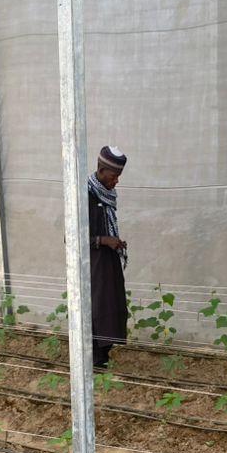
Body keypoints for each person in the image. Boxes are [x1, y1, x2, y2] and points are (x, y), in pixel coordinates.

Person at [88, 145, 128, 368]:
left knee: (112, 305)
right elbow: (71, 237)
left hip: (107, 261)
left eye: (118, 177)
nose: (116, 182)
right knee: (97, 308)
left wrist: (115, 242)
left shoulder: (107, 194)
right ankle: (94, 359)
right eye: (113, 176)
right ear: (101, 170)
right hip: (92, 265)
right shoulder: (84, 194)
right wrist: (103, 240)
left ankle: (103, 355)